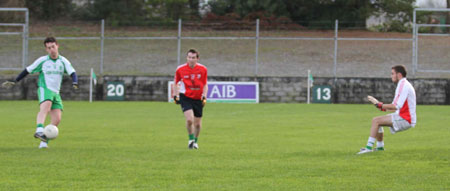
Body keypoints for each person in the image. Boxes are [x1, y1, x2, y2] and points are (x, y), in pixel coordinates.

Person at [1, 37, 78, 149]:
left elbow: (72, 72)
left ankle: (43, 143)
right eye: (48, 48)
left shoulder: (63, 61)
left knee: (57, 119)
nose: (51, 49)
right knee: (45, 107)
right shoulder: (42, 61)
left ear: (57, 46)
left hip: (56, 92)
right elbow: (28, 70)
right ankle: (39, 130)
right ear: (46, 50)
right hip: (45, 88)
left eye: (53, 46)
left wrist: (75, 81)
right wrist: (15, 80)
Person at [358, 65, 416, 154]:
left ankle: (368, 148)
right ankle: (380, 147)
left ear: (399, 75)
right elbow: (394, 107)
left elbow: (396, 106)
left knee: (376, 121)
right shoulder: (403, 84)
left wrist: (380, 105)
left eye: (392, 73)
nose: (391, 76)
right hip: (403, 116)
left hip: (406, 118)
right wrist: (381, 107)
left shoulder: (403, 85)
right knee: (379, 121)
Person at [172, 49, 208, 149]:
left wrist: (204, 96)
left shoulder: (203, 69)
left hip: (197, 98)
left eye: (193, 58)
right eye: (189, 57)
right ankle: (190, 139)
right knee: (189, 120)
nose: (191, 60)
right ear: (187, 58)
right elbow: (175, 82)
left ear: (197, 59)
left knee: (197, 124)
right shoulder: (180, 69)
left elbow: (205, 84)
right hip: (185, 97)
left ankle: (195, 142)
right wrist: (175, 95)